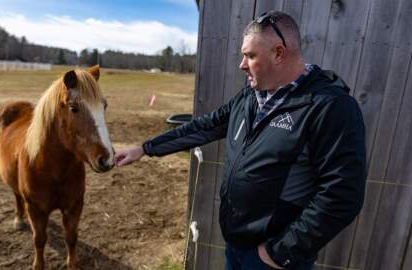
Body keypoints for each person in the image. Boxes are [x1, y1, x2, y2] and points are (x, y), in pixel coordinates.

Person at [114, 10, 366, 270]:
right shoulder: (250, 97)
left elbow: (342, 194)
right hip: (237, 244)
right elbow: (204, 126)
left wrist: (279, 252)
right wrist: (145, 148)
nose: (242, 64)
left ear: (279, 53)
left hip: (273, 259)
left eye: (250, 55)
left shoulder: (329, 107)